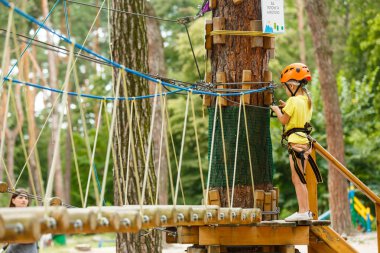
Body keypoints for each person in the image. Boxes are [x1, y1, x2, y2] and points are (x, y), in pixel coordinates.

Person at [270, 63, 322, 222]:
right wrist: (287, 107)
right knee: (300, 177)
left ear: (292, 85)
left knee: (297, 178)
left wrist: (277, 110)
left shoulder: (293, 101)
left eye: (286, 87)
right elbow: (298, 115)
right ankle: (304, 211)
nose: (286, 90)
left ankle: (303, 211)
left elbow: (284, 120)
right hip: (304, 142)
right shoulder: (306, 100)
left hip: (296, 144)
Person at [4, 189, 38, 253]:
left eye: (26, 198)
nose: (24, 200)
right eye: (20, 197)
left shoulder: (32, 215)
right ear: (13, 200)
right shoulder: (7, 216)